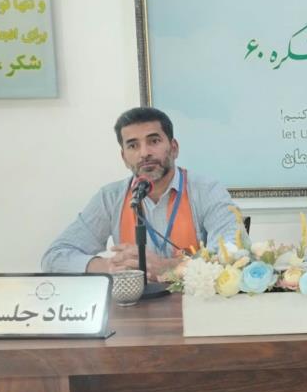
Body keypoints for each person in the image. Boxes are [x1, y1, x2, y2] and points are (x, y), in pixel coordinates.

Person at [41, 107, 241, 278]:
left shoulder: (207, 191)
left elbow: (233, 253)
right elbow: (54, 257)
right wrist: (109, 266)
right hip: (134, 305)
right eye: (133, 145)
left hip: (195, 303)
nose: (144, 153)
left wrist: (168, 266)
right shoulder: (110, 197)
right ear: (124, 157)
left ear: (174, 148)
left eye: (154, 141)